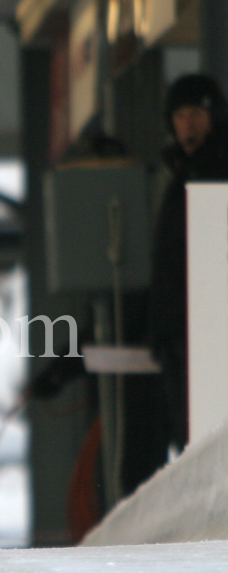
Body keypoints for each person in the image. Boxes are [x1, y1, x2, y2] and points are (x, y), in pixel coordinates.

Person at [148, 75, 228, 454]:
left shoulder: (208, 173)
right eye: (179, 115)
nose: (187, 124)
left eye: (196, 112)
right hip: (184, 331)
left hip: (202, 331)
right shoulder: (180, 175)